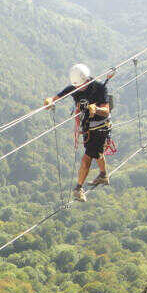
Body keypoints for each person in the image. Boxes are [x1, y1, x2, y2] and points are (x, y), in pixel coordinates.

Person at [44, 63, 111, 202]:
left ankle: (78, 188)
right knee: (97, 152)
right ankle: (103, 175)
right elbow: (56, 97)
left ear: (87, 79)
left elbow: (106, 111)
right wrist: (50, 101)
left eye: (81, 85)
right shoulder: (74, 87)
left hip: (100, 127)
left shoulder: (98, 87)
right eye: (77, 86)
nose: (79, 88)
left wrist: (96, 109)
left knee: (87, 158)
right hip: (88, 127)